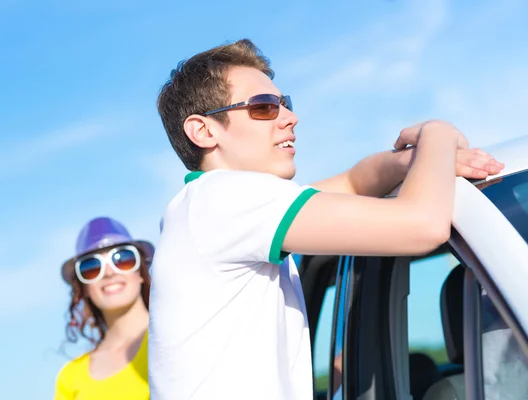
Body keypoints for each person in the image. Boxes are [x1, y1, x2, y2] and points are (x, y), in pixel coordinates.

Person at [148, 38, 505, 400]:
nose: (291, 117)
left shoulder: (203, 207)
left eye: (284, 103)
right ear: (204, 131)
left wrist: (419, 163)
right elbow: (423, 225)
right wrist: (438, 134)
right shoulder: (226, 198)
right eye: (265, 107)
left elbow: (354, 181)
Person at [54, 217, 154, 400]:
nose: (109, 272)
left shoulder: (177, 335)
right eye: (91, 267)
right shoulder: (70, 378)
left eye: (123, 258)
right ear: (83, 288)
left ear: (140, 271)